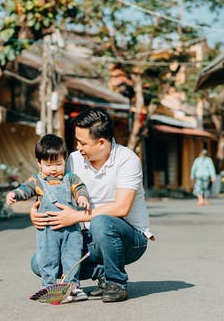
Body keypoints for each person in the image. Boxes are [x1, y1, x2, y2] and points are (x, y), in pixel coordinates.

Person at [30, 107, 153, 303]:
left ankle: (117, 283)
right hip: (88, 238)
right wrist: (35, 211)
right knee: (39, 262)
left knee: (101, 222)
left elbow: (122, 208)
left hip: (131, 238)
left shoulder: (127, 160)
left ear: (101, 142)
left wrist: (76, 217)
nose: (77, 147)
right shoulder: (73, 160)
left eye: (82, 142)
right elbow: (52, 189)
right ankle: (102, 272)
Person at [6, 134, 91, 302]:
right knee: (47, 257)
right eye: (48, 164)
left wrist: (82, 197)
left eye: (58, 164)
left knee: (72, 257)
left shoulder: (70, 178)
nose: (54, 169)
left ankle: (72, 287)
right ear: (39, 163)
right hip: (47, 229)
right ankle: (47, 285)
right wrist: (15, 194)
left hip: (71, 229)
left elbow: (80, 188)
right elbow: (26, 189)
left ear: (65, 159)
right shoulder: (37, 180)